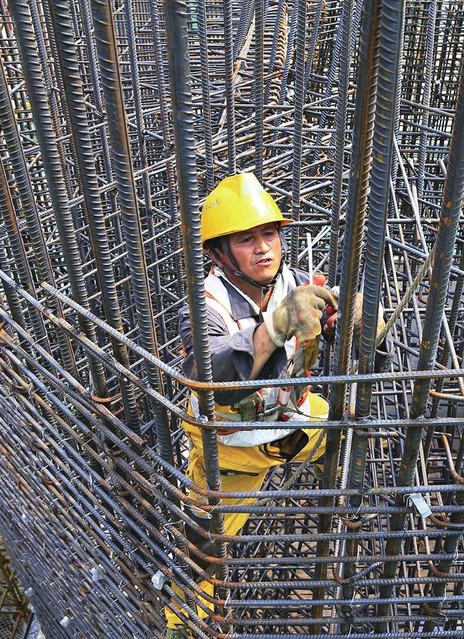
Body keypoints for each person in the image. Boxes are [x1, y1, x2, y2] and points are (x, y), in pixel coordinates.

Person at [167, 172, 342, 637]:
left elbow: (330, 311)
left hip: (288, 418)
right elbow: (213, 372)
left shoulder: (296, 281)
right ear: (218, 254)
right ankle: (180, 626)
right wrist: (277, 325)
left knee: (341, 426)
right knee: (204, 553)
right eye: (247, 239)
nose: (264, 247)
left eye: (270, 233)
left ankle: (340, 482)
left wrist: (355, 319)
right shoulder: (204, 305)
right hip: (232, 451)